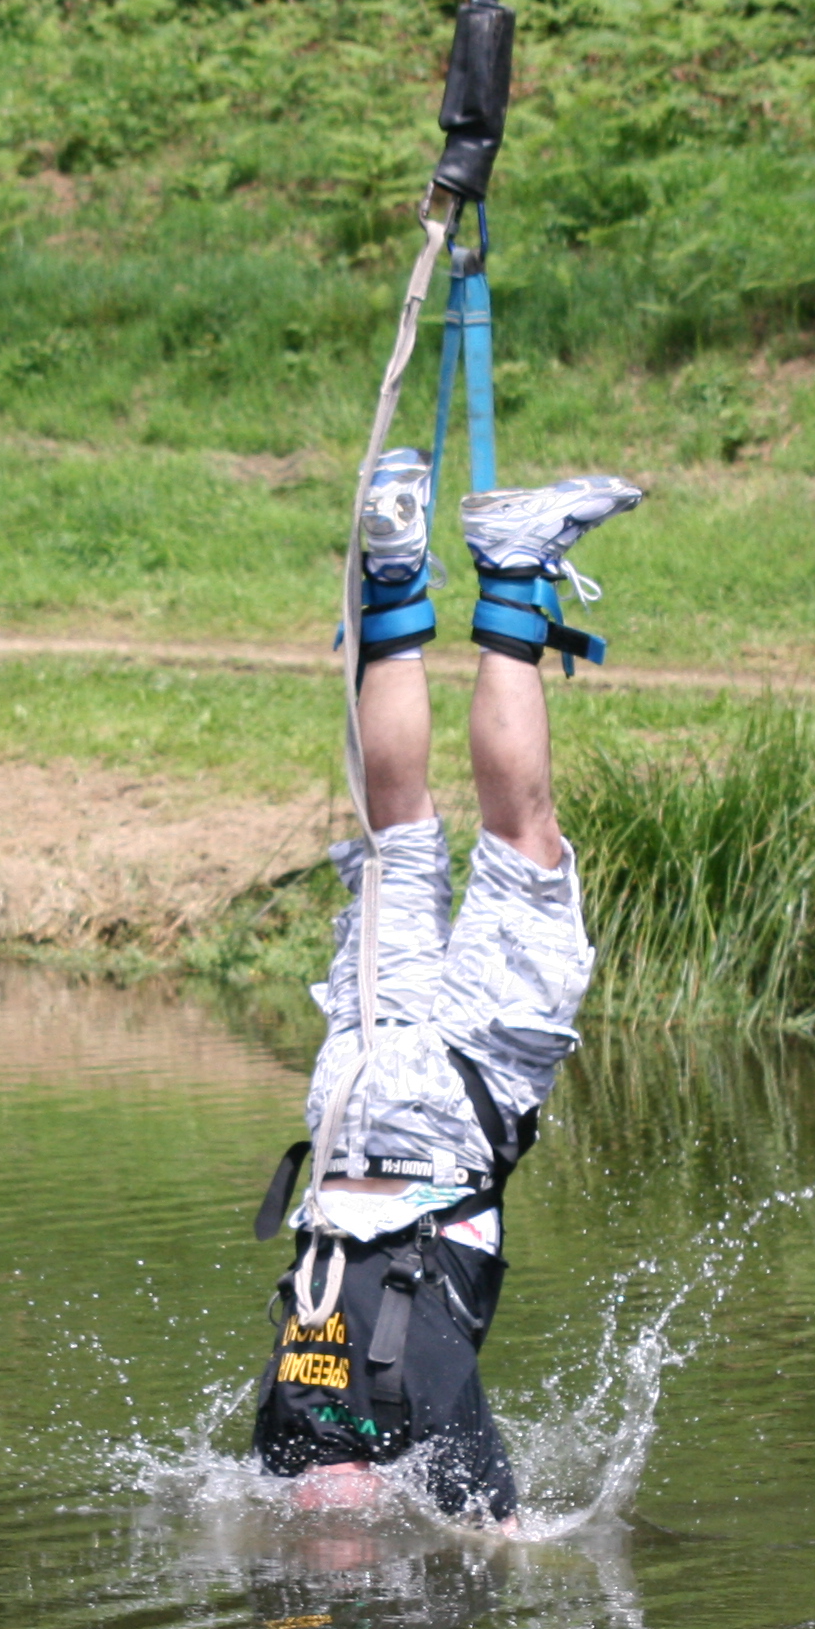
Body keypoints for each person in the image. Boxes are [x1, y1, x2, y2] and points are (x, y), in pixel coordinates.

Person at [252, 447, 644, 1523]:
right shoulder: (289, 1417)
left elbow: (503, 1536)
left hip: (452, 1113)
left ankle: (511, 570)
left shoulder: (417, 1410)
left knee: (523, 840)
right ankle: (392, 577)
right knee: (400, 834)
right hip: (349, 1102)